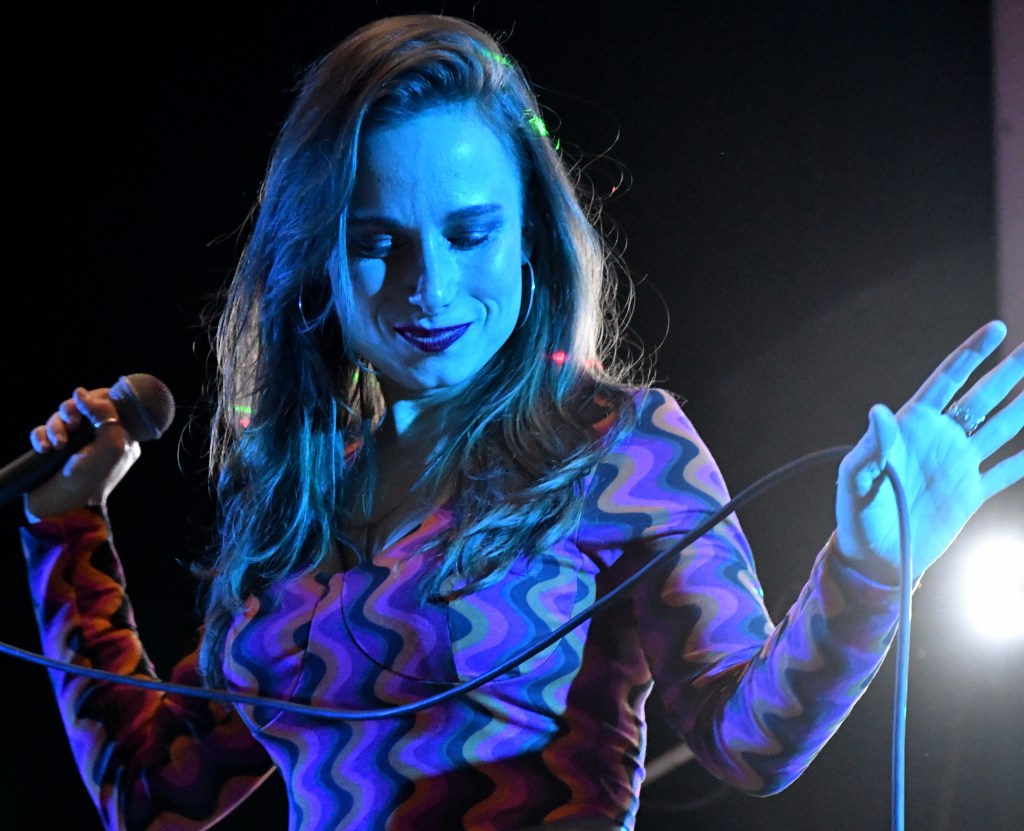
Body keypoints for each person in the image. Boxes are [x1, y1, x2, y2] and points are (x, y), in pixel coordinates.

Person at [17, 13, 1023, 831]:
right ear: (315, 257)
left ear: (531, 236)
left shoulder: (618, 446)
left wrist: (867, 574)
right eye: (377, 240)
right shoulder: (295, 509)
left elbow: (748, 741)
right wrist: (65, 525)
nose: (430, 285)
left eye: (470, 232)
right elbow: (149, 793)